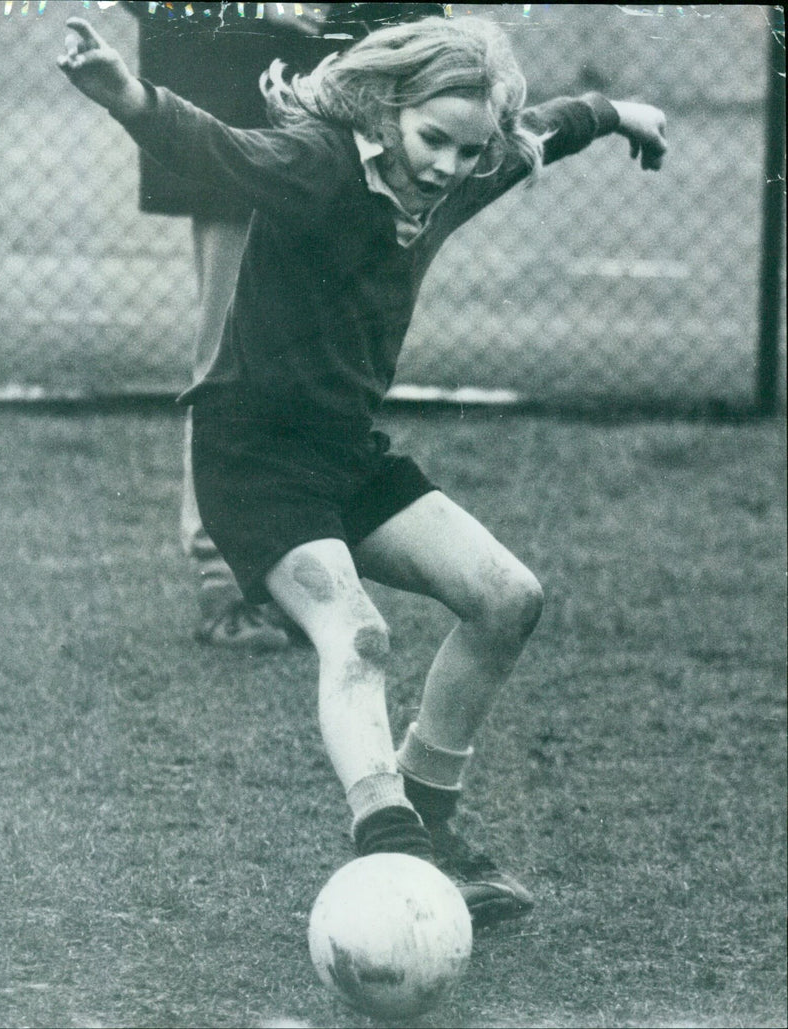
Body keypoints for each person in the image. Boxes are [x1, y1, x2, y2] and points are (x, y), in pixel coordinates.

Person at [57, 13, 667, 926]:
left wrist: (620, 112)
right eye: (433, 141)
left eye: (468, 150)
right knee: (360, 634)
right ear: (388, 110)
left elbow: (542, 130)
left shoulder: (463, 164)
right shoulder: (317, 161)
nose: (449, 167)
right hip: (251, 458)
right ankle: (394, 853)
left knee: (509, 597)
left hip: (344, 453)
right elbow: (217, 151)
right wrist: (127, 95)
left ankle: (430, 821)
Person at [122, 2, 447, 649]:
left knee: (326, 348)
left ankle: (297, 568)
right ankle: (226, 578)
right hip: (241, 126)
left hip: (360, 136)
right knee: (231, 348)